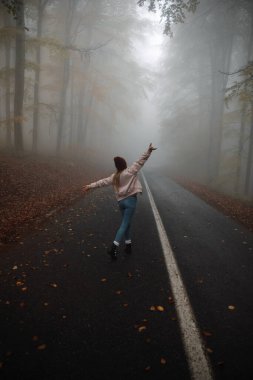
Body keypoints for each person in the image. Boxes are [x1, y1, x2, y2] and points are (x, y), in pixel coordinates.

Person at [82, 143, 157, 260]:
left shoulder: (114, 176)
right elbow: (140, 161)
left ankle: (128, 245)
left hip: (121, 202)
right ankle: (113, 247)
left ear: (117, 166)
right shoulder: (130, 171)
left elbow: (102, 182)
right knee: (124, 224)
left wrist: (90, 186)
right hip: (131, 201)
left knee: (126, 223)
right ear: (124, 164)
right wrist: (148, 151)